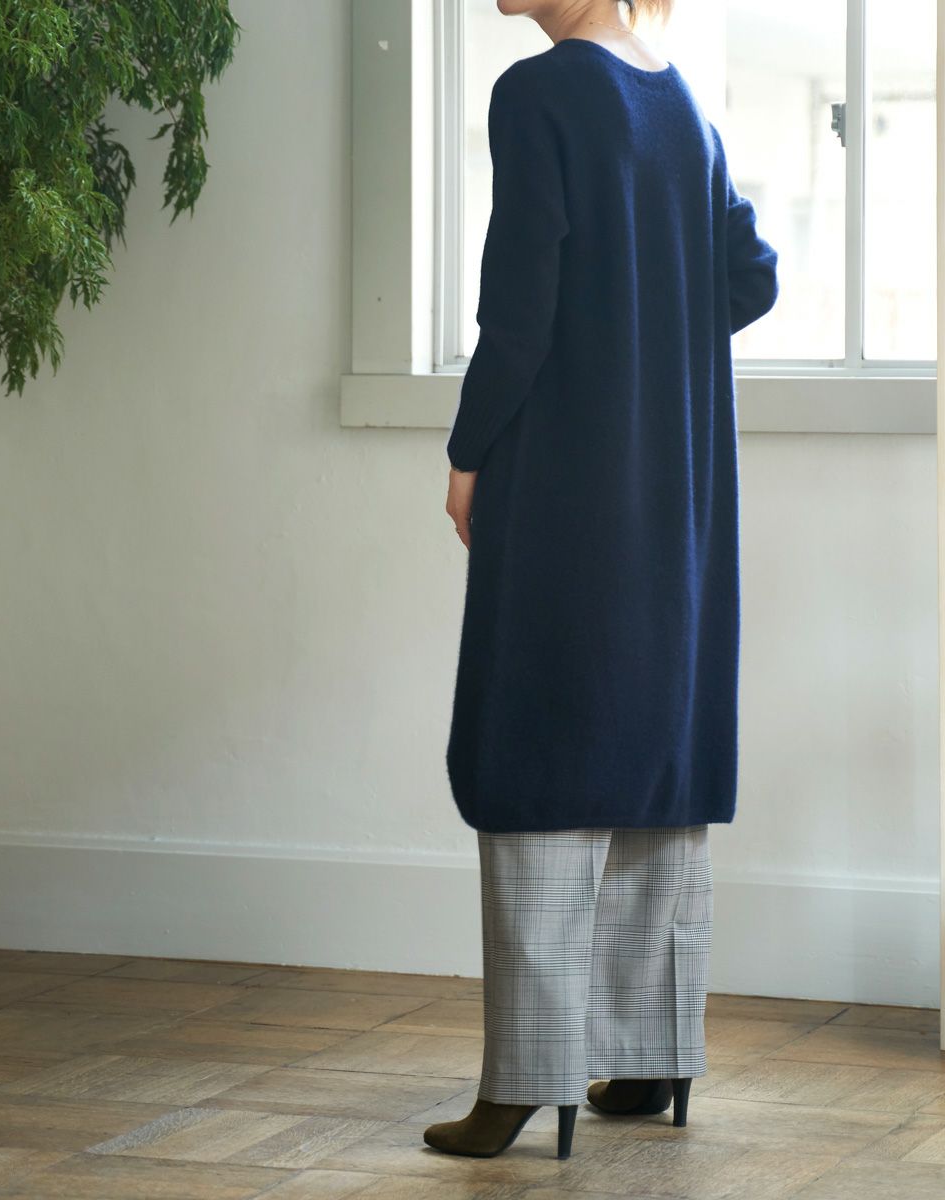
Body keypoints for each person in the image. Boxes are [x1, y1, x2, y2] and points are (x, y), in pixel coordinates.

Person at [428, 0, 779, 1162]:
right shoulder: (682, 106)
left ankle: (526, 1080)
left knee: (535, 746)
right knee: (651, 751)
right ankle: (651, 1053)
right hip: (676, 494)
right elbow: (750, 277)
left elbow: (517, 310)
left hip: (566, 488)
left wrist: (467, 452)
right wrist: (647, 332)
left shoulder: (538, 94)